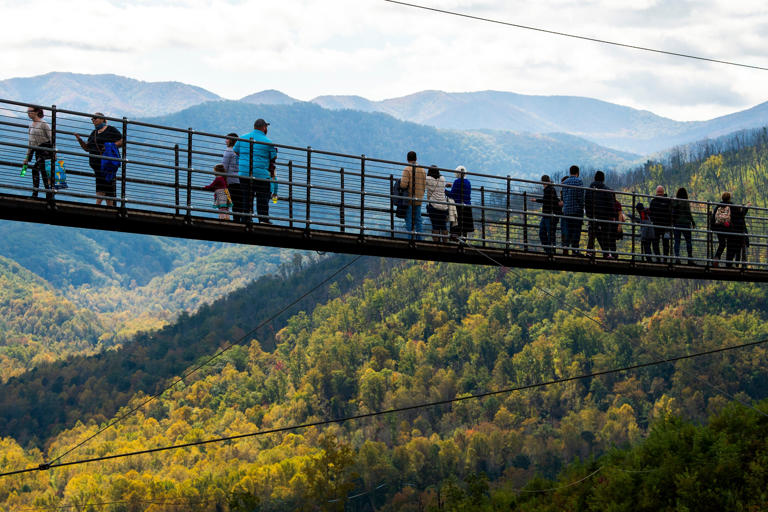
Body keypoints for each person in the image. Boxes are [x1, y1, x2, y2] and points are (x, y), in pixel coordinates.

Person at [232, 118, 276, 224]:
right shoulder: (268, 142)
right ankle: (263, 219)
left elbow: (236, 151)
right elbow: (273, 157)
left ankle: (246, 218)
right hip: (261, 174)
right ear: (264, 128)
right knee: (262, 197)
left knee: (246, 196)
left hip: (244, 174)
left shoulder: (242, 138)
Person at [74, 112, 123, 206]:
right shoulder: (94, 133)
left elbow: (121, 141)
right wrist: (79, 140)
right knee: (103, 185)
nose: (93, 120)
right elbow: (87, 148)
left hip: (107, 163)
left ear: (102, 119)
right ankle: (105, 205)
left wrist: (110, 146)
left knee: (106, 184)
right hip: (96, 165)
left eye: (95, 118)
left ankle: (102, 205)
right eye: (92, 119)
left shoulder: (110, 129)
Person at [584, 170, 615, 258]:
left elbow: (586, 202)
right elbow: (610, 203)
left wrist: (589, 214)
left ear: (595, 178)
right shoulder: (606, 189)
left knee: (592, 234)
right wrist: (612, 215)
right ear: (603, 179)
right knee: (605, 234)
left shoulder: (589, 189)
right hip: (604, 216)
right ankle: (606, 253)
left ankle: (589, 252)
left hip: (593, 215)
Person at [23, 105, 52, 199]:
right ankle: (48, 195)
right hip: (37, 151)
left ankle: (37, 194)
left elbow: (52, 139)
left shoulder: (44, 124)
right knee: (43, 172)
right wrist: (27, 157)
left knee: (37, 169)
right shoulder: (30, 125)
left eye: (30, 111)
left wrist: (54, 153)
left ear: (36, 112)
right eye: (27, 111)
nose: (28, 113)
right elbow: (30, 142)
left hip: (46, 151)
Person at [532, 175, 561, 255]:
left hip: (549, 214)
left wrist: (536, 200)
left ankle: (550, 250)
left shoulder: (549, 189)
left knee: (547, 233)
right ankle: (549, 250)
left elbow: (547, 200)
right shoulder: (550, 189)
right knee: (547, 233)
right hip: (547, 215)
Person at [399, 151, 426, 240]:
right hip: (419, 198)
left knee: (409, 220)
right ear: (416, 158)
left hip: (409, 199)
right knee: (418, 220)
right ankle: (419, 239)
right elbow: (424, 184)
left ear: (407, 159)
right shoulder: (422, 170)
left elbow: (403, 185)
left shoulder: (407, 169)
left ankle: (410, 239)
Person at [561, 165, 584, 255]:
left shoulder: (565, 182)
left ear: (570, 172)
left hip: (566, 210)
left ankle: (566, 247)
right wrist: (581, 207)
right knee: (576, 231)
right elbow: (580, 198)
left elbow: (564, 197)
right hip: (576, 210)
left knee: (568, 230)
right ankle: (575, 250)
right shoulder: (579, 182)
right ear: (577, 173)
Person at [446, 165, 475, 239]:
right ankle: (463, 241)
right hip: (467, 206)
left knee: (457, 226)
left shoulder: (457, 181)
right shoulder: (468, 182)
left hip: (458, 207)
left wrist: (443, 190)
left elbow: (452, 195)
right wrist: (453, 185)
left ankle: (455, 241)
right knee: (464, 228)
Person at [222, 133, 243, 222]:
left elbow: (224, 167)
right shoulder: (239, 152)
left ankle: (236, 220)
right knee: (240, 202)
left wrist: (223, 180)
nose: (225, 141)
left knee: (233, 201)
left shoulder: (228, 151)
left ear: (231, 140)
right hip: (241, 179)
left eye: (227, 139)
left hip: (231, 180)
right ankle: (241, 219)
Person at [649, 186, 672, 263]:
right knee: (655, 242)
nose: (659, 193)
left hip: (666, 226)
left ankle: (665, 259)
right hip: (656, 225)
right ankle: (658, 258)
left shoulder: (668, 201)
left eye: (660, 192)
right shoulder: (653, 201)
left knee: (666, 243)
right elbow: (650, 213)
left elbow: (671, 212)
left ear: (663, 192)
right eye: (658, 192)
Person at [672, 187, 696, 264]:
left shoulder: (675, 202)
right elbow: (688, 213)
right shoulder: (685, 202)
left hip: (677, 224)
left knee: (677, 241)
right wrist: (692, 222)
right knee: (688, 241)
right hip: (686, 224)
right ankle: (690, 259)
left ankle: (677, 258)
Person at [425, 165, 449, 241]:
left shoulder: (428, 179)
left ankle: (436, 243)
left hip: (433, 206)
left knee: (435, 225)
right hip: (444, 206)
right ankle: (446, 243)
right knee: (443, 225)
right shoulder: (442, 178)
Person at [711, 191, 733, 266]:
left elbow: (713, 217)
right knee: (730, 244)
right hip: (727, 228)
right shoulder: (731, 206)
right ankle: (729, 263)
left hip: (718, 228)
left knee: (722, 244)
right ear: (729, 198)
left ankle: (716, 258)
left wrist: (713, 227)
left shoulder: (718, 206)